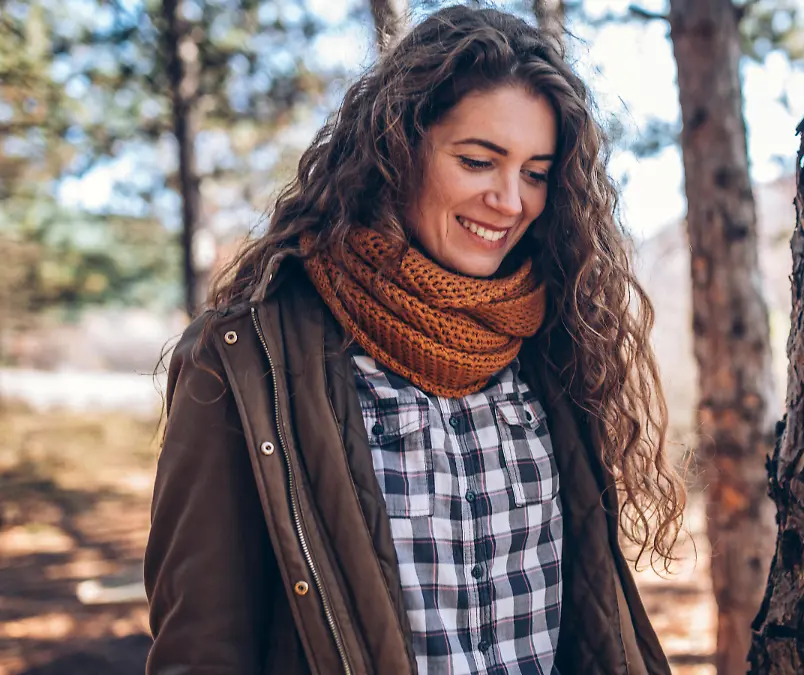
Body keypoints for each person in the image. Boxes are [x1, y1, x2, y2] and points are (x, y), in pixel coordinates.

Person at [143, 6, 687, 674]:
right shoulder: (248, 361)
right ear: (397, 149)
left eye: (537, 172)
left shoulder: (556, 342)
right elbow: (201, 650)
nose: (511, 200)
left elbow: (593, 620)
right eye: (479, 160)